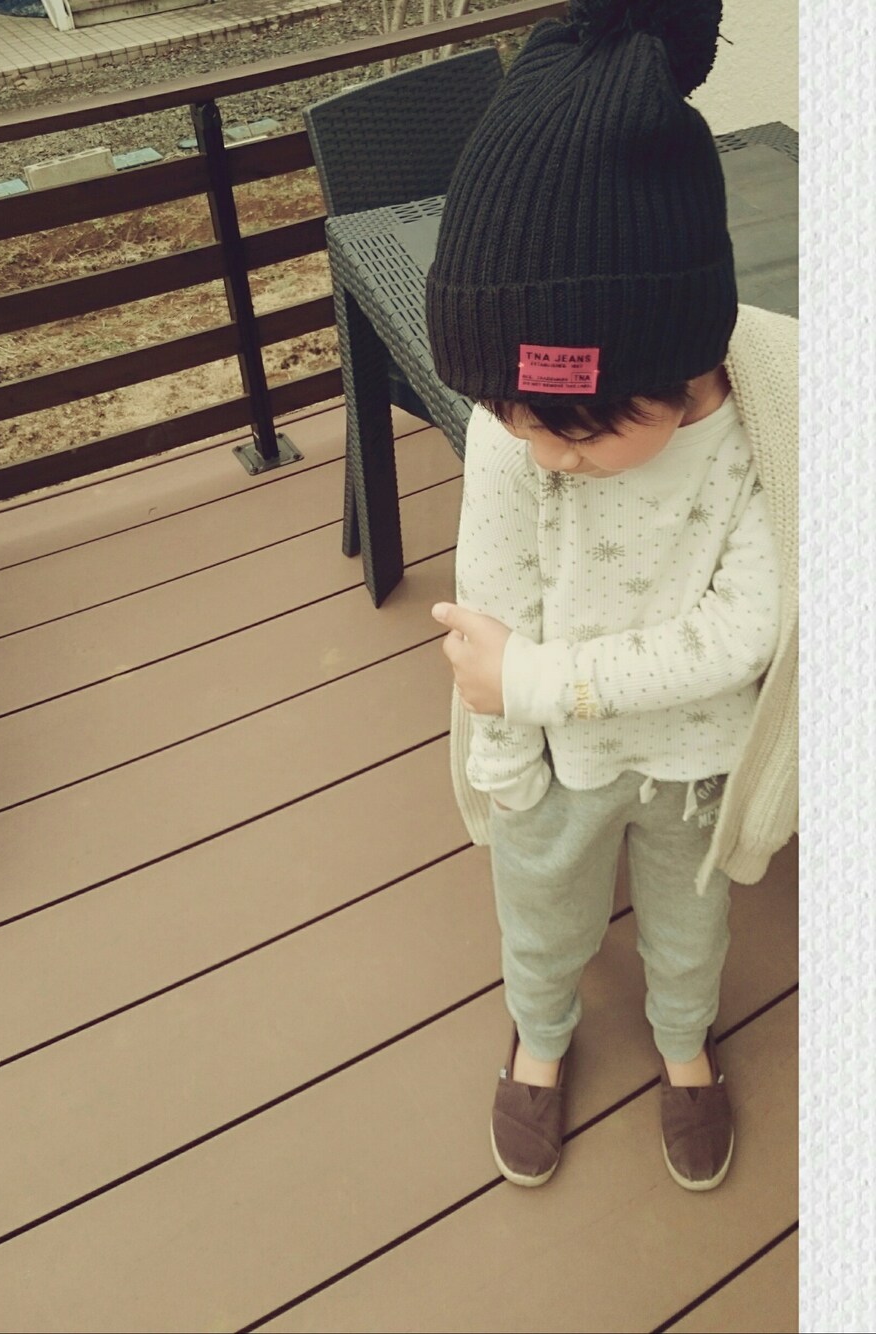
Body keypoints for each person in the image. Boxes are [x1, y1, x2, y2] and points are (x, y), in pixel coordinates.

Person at [423, 0, 798, 1191]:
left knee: (691, 922)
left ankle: (684, 1041)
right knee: (542, 913)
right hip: (553, 767)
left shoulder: (762, 437)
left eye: (579, 428)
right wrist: (502, 756)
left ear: (683, 364)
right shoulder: (513, 434)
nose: (544, 452)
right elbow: (486, 617)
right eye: (512, 416)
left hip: (695, 763)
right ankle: (538, 1034)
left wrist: (536, 682)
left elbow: (743, 632)